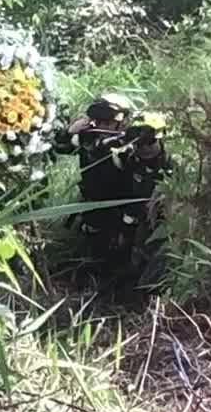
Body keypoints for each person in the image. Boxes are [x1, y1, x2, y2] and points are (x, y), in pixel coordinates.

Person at [52, 93, 173, 281]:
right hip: (92, 205)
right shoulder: (87, 139)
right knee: (94, 246)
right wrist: (70, 131)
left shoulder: (130, 145)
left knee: (124, 253)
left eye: (107, 123)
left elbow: (146, 178)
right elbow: (60, 147)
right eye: (98, 121)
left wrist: (128, 224)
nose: (102, 127)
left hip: (123, 208)